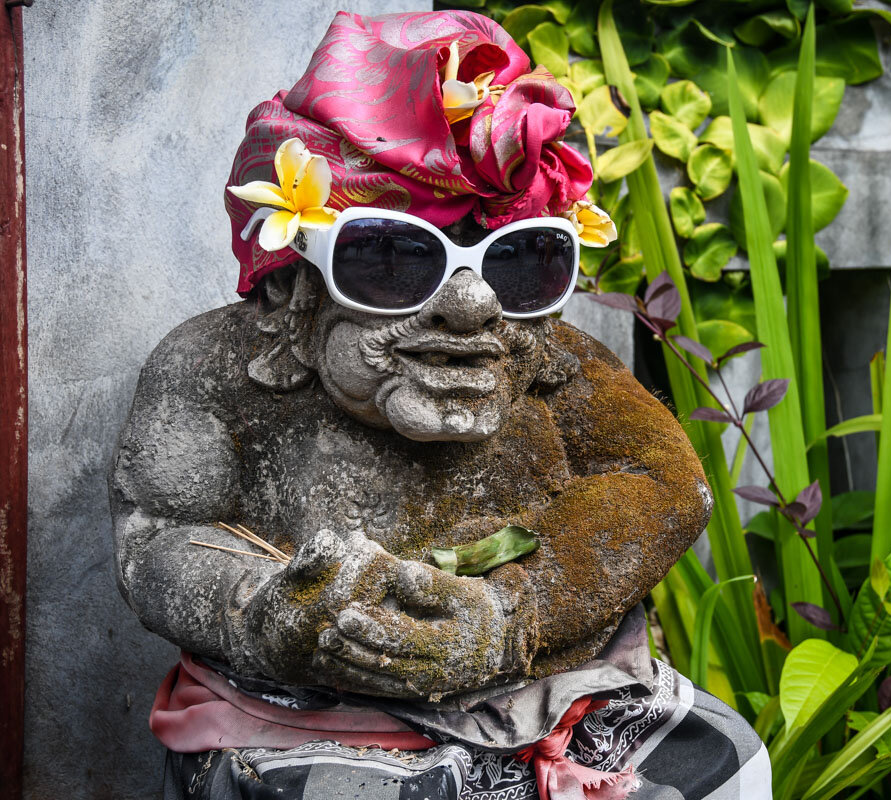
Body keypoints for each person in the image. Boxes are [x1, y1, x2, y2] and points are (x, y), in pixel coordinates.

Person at [109, 10, 769, 798]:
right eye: (392, 256)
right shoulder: (216, 368)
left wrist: (512, 614)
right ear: (291, 291)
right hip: (310, 722)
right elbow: (159, 534)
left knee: (727, 756)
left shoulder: (556, 364)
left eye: (521, 260)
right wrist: (263, 615)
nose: (472, 305)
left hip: (562, 697)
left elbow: (666, 484)